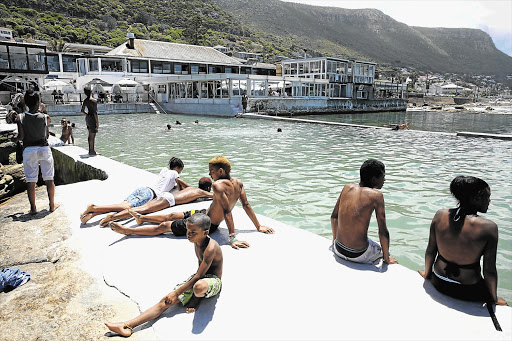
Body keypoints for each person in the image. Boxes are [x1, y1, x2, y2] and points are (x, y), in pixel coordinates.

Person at [110, 156, 274, 249]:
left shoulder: (218, 186)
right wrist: (258, 226)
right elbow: (246, 206)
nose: (210, 175)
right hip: (204, 212)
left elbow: (227, 212)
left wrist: (232, 238)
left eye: (212, 172)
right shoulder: (238, 183)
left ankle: (127, 231)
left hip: (206, 223)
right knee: (173, 215)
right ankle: (142, 219)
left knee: (164, 227)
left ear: (221, 171)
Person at [105, 213, 223, 337]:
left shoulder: (210, 248)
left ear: (205, 232)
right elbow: (198, 274)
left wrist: (177, 293)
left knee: (198, 287)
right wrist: (174, 294)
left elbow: (199, 276)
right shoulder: (197, 239)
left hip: (212, 280)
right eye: (188, 230)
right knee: (166, 300)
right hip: (199, 276)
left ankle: (196, 299)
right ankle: (127, 325)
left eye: (193, 232)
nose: (188, 234)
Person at [418, 176, 507, 305]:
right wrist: (493, 298)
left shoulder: (439, 215)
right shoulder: (489, 227)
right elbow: (489, 270)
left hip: (438, 281)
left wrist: (427, 274)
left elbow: (431, 250)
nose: (489, 201)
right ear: (476, 198)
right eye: (487, 197)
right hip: (467, 291)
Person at [331, 159, 397, 264]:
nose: (384, 180)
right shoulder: (376, 196)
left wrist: (334, 241)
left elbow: (334, 217)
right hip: (358, 254)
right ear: (374, 179)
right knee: (383, 250)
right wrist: (387, 258)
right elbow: (383, 231)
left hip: (338, 248)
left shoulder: (346, 188)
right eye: (383, 176)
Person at [80, 157, 184, 224]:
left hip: (144, 189)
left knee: (120, 207)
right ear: (177, 168)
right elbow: (180, 186)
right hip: (149, 194)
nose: (180, 172)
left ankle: (93, 214)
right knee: (125, 207)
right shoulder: (175, 173)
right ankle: (94, 207)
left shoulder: (164, 170)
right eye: (180, 170)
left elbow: (166, 183)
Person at [102, 177, 212, 226]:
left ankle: (114, 216)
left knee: (141, 208)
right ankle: (112, 218)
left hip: (166, 195)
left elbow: (179, 180)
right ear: (208, 188)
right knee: (143, 210)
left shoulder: (191, 188)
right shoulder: (202, 192)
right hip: (169, 200)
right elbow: (214, 196)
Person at [16, 89, 59, 214]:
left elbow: (21, 137)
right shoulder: (46, 117)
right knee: (49, 178)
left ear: (26, 102)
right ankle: (51, 205)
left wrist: (15, 139)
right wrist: (43, 109)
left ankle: (33, 208)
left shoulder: (21, 117)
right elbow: (46, 135)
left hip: (29, 149)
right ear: (39, 102)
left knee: (31, 180)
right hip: (44, 148)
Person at [81, 87, 99, 155]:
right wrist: (97, 122)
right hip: (92, 118)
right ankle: (92, 151)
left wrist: (87, 114)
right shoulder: (94, 101)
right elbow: (95, 112)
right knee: (93, 135)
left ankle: (90, 150)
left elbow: (82, 110)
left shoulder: (85, 100)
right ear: (91, 92)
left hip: (88, 118)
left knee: (89, 135)